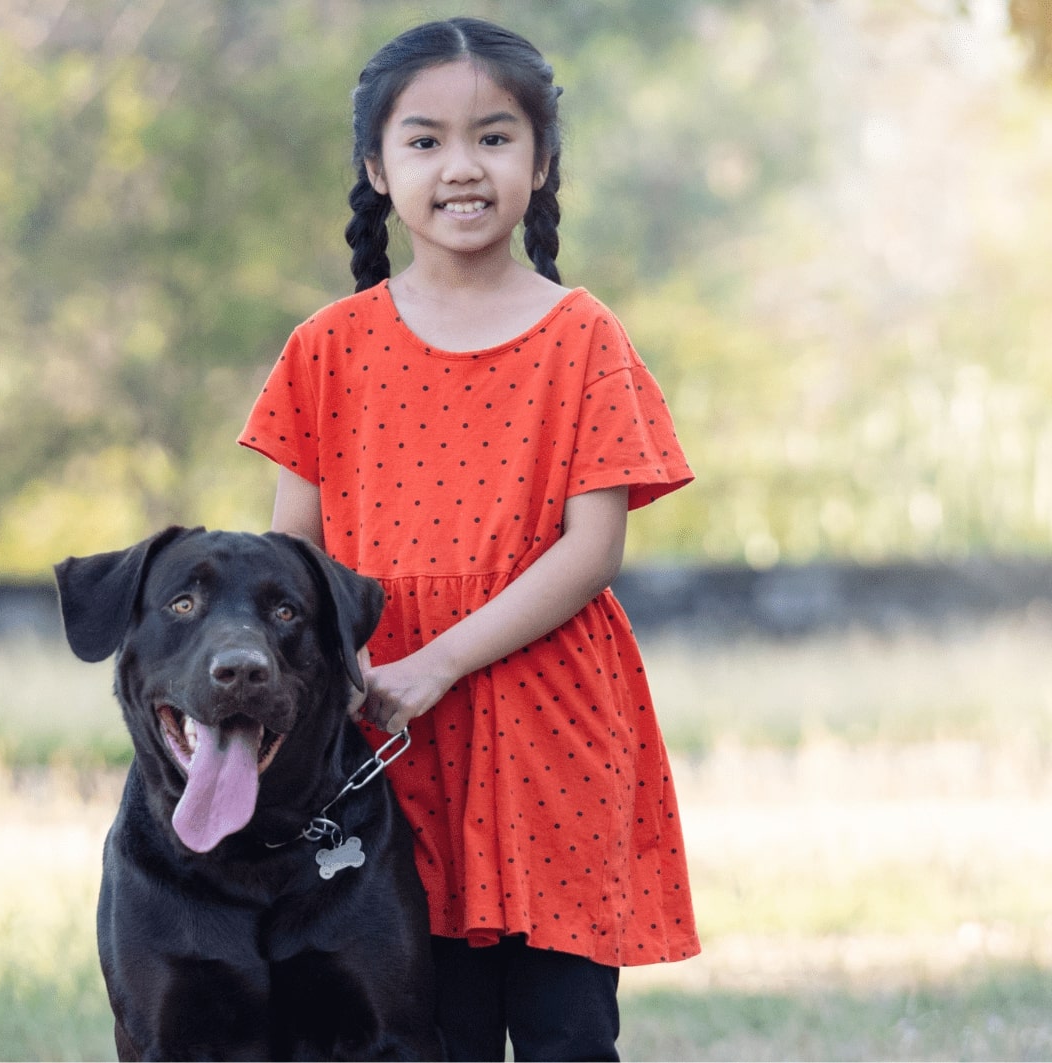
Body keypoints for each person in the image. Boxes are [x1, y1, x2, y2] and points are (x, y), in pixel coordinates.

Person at [238, 17, 699, 1061]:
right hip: (387, 732)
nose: (461, 167)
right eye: (425, 140)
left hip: (551, 730)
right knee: (420, 1030)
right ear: (375, 165)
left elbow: (592, 549)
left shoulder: (584, 336)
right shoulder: (327, 348)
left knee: (566, 1031)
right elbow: (290, 566)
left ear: (540, 165)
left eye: (494, 138)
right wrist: (354, 673)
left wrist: (439, 660)